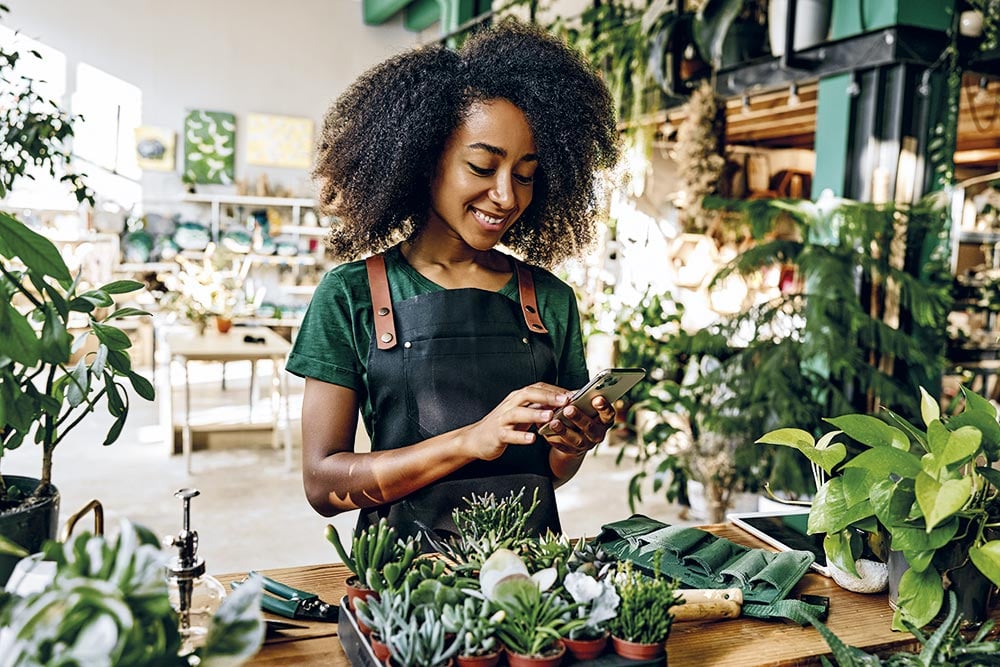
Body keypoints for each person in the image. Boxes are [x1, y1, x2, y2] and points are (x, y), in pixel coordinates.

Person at [286, 19, 620, 542]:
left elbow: (550, 474)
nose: (507, 196)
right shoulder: (350, 295)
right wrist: (470, 440)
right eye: (483, 167)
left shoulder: (550, 300)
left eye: (526, 175)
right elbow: (323, 487)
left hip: (531, 587)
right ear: (424, 161)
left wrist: (571, 443)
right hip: (403, 589)